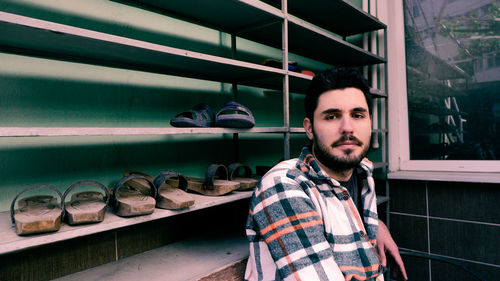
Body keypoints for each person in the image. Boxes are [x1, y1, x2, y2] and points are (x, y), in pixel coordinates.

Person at [244, 67, 407, 281]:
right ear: (309, 128)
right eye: (332, 116)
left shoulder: (361, 172)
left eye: (358, 115)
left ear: (370, 124)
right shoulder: (285, 184)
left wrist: (375, 225)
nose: (347, 128)